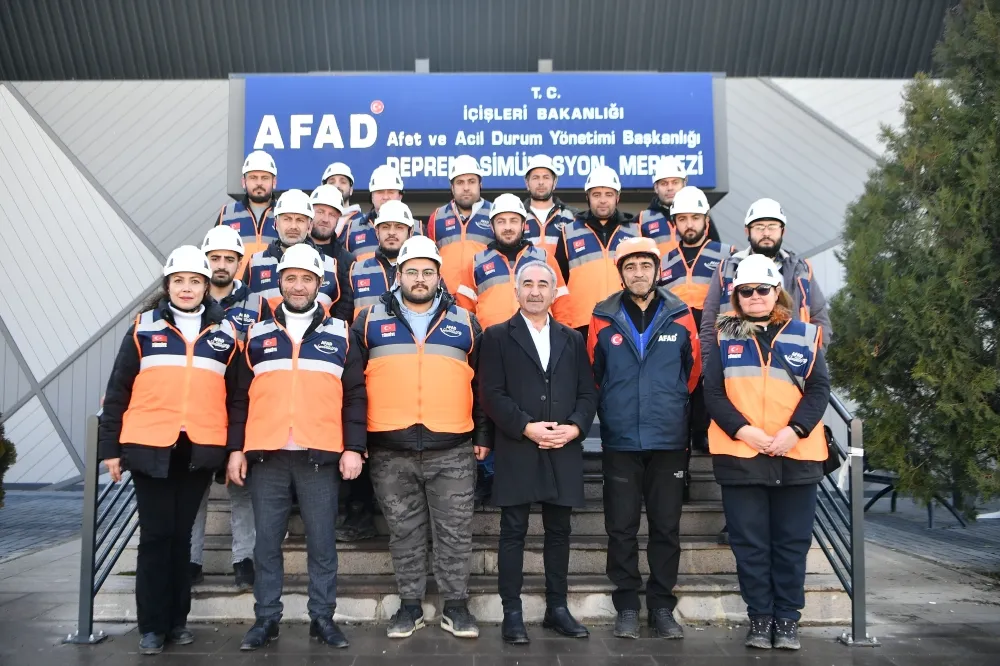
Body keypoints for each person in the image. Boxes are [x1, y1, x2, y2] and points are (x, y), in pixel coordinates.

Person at [98, 246, 240, 655]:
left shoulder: (224, 333)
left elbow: (235, 398)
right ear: (167, 286)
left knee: (182, 538)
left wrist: (232, 449)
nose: (187, 288)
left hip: (198, 449)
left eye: (195, 281)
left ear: (206, 285)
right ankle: (152, 626)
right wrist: (111, 448)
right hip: (149, 446)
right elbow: (117, 390)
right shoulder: (143, 328)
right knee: (156, 536)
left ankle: (178, 622)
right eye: (179, 281)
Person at [226, 243, 367, 652]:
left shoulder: (341, 333)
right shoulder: (256, 333)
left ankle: (322, 618)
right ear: (279, 282)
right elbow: (239, 398)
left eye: (307, 279)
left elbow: (355, 395)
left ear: (319, 284)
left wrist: (354, 448)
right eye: (291, 278)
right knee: (266, 543)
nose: (299, 286)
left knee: (322, 542)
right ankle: (266, 618)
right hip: (267, 454)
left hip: (320, 454)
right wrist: (236, 449)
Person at [351, 236, 489, 640]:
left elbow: (481, 385)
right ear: (399, 275)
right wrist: (357, 441)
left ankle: (456, 606)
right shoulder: (369, 320)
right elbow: (354, 388)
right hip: (390, 450)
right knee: (404, 532)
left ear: (438, 276)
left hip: (453, 449)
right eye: (412, 271)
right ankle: (409, 606)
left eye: (428, 271)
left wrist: (482, 433)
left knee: (455, 532)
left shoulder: (465, 321)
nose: (420, 278)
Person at [703, 254, 830, 651]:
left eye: (762, 289)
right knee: (750, 544)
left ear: (777, 291)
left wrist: (795, 431)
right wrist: (744, 431)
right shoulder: (725, 337)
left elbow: (819, 390)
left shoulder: (805, 334)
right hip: (741, 456)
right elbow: (713, 392)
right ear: (736, 296)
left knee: (792, 543)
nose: (754, 296)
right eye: (746, 291)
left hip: (797, 455)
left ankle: (788, 620)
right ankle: (760, 618)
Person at [587, 236, 701, 640]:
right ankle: (628, 605)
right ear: (621, 272)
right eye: (630, 267)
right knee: (621, 526)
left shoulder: (681, 314)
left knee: (666, 527)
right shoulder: (602, 315)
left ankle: (661, 606)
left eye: (645, 266)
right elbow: (594, 375)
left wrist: (667, 404)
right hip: (620, 439)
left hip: (668, 439)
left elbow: (691, 374)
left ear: (657, 269)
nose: (638, 273)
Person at [478, 262, 598, 645]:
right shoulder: (496, 336)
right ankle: (511, 613)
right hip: (518, 446)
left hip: (563, 446)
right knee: (512, 532)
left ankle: (557, 609)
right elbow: (491, 394)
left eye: (542, 284)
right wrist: (526, 426)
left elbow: (587, 392)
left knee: (559, 532)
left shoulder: (572, 339)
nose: (534, 291)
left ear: (553, 292)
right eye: (527, 284)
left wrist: (576, 426)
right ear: (516, 292)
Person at [188, 226, 258, 591]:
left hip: (240, 404)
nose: (221, 265)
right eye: (215, 258)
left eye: (229, 259)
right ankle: (191, 561)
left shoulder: (257, 304)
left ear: (239, 263)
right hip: (200, 409)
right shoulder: (189, 303)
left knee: (241, 489)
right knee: (195, 491)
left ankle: (243, 560)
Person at [658, 186, 735, 460]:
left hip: (714, 334)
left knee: (709, 386)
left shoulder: (729, 254)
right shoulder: (663, 259)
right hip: (676, 336)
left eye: (694, 217)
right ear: (674, 222)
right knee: (679, 390)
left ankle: (704, 435)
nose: (688, 224)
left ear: (706, 218)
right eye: (682, 218)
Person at [456, 193, 570, 330]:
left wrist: (562, 339)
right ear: (492, 227)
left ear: (523, 225)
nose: (508, 227)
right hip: (490, 344)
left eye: (514, 221)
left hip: (538, 343)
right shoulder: (476, 263)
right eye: (501, 221)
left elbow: (562, 304)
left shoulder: (544, 259)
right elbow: (464, 312)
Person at [554, 165, 640, 338]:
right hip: (581, 325)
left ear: (618, 197)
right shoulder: (568, 232)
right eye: (596, 195)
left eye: (608, 194)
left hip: (626, 322)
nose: (602, 200)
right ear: (587, 197)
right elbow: (559, 284)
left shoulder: (635, 232)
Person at [245, 189, 352, 321]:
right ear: (276, 224)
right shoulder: (255, 263)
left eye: (300, 220)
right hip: (267, 340)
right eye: (287, 219)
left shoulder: (331, 265)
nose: (293, 226)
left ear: (309, 225)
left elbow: (341, 315)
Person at [426, 155, 494, 296]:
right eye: (460, 182)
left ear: (480, 185)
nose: (466, 188)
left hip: (482, 297)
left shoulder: (495, 214)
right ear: (452, 187)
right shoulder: (437, 217)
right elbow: (429, 261)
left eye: (471, 181)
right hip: (445, 299)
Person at [637, 157, 720, 257]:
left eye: (675, 182)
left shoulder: (700, 213)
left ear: (684, 183)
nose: (670, 188)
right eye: (664, 183)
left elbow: (716, 253)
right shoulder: (642, 219)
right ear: (656, 187)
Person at [349, 200, 417, 319]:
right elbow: (345, 322)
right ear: (377, 232)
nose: (391, 232)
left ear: (410, 232)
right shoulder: (355, 271)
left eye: (399, 227)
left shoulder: (425, 271)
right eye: (385, 227)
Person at [217, 150, 279, 275]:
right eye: (253, 178)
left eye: (265, 178)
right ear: (243, 182)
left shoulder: (285, 213)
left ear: (274, 182)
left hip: (271, 289)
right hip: (237, 291)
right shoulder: (227, 214)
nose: (259, 183)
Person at [341, 165, 407, 259]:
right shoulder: (352, 229)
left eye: (391, 192)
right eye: (380, 192)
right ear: (372, 196)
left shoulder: (417, 229)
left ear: (400, 196)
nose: (385, 197)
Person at [521, 155, 576, 258]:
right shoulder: (518, 216)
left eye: (546, 177)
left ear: (554, 182)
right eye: (535, 178)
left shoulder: (571, 216)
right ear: (527, 183)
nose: (541, 182)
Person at [320, 161, 362, 240]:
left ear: (351, 190)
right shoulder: (313, 221)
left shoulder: (363, 221)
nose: (337, 186)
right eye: (332, 182)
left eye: (343, 182)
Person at [308, 184, 348, 254]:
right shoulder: (291, 253)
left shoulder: (347, 261)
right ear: (310, 212)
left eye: (332, 215)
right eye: (320, 212)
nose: (325, 220)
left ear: (338, 218)